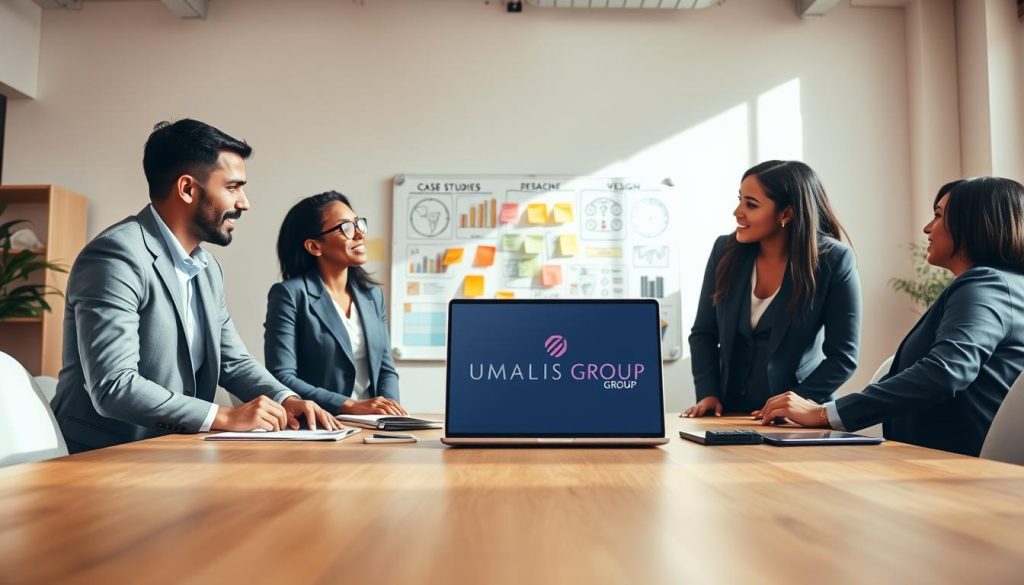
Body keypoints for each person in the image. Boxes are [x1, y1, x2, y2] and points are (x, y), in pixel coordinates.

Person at [51, 119, 341, 453]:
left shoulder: (206, 268)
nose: (245, 203)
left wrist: (286, 399)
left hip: (170, 453)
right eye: (233, 187)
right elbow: (115, 386)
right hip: (102, 458)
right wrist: (225, 416)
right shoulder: (116, 256)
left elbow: (233, 361)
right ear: (187, 189)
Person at [755, 177, 1024, 456]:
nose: (927, 228)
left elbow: (945, 372)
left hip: (949, 470)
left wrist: (823, 413)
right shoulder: (1003, 284)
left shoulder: (986, 284)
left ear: (974, 223)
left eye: (938, 215)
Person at [683, 160, 861, 417]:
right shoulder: (724, 251)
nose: (737, 212)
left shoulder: (833, 260)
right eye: (740, 199)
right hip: (728, 414)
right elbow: (703, 333)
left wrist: (797, 403)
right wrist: (707, 392)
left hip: (798, 420)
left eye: (751, 204)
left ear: (786, 214)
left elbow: (843, 357)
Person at [264, 191, 405, 416]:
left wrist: (390, 412)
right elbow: (282, 377)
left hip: (373, 426)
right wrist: (349, 406)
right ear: (314, 246)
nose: (359, 233)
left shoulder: (372, 295)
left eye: (358, 223)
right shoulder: (289, 295)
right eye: (346, 227)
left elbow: (386, 370)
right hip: (321, 426)